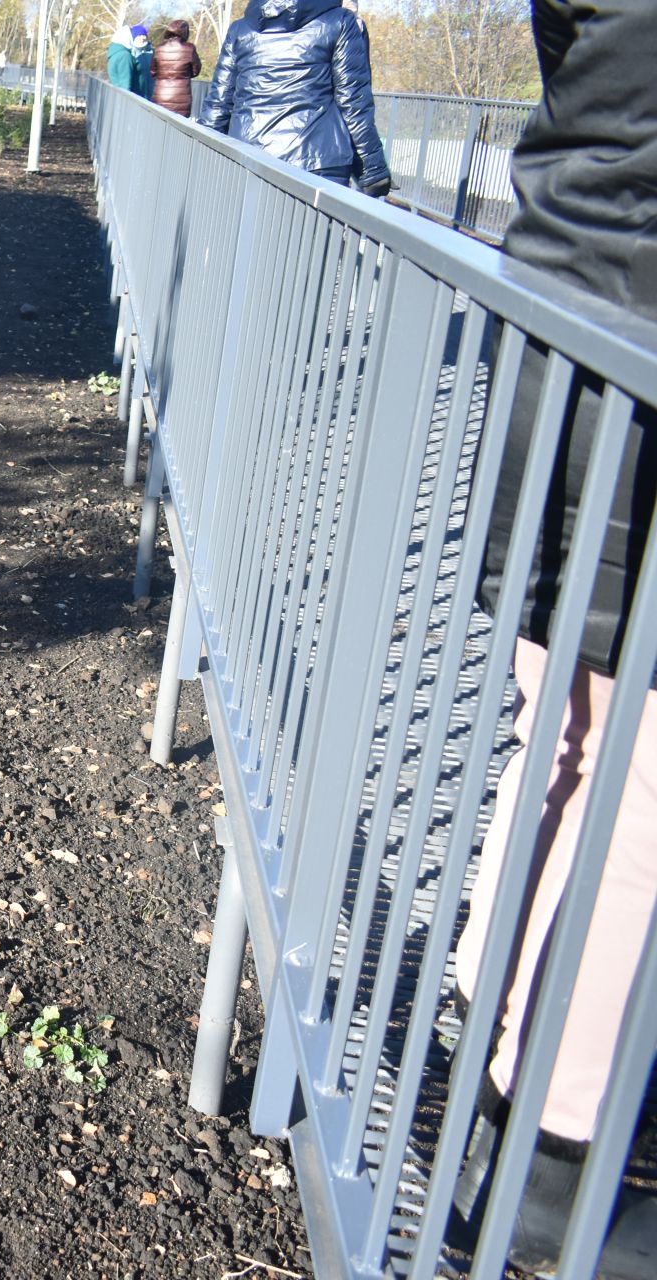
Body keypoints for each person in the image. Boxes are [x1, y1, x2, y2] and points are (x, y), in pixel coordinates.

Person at [450, 2, 657, 1275]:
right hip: (627, 372)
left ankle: (502, 1084)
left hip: (571, 349)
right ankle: (550, 1163)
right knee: (625, 782)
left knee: (572, 749)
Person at [197, 0, 390, 194]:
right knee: (313, 225)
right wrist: (373, 168)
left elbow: (218, 103)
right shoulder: (339, 21)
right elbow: (353, 101)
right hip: (317, 161)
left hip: (249, 155)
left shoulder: (240, 30)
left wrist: (201, 159)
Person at [151, 19, 203, 116]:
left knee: (160, 125)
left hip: (161, 94)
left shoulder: (159, 48)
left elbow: (153, 71)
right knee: (179, 127)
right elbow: (196, 70)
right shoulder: (189, 48)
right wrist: (184, 74)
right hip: (181, 97)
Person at [107, 23, 139, 94]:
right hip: (123, 98)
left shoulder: (114, 54)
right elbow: (125, 82)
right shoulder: (125, 56)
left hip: (116, 95)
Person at [131, 24, 155, 97]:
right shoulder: (131, 53)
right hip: (136, 93)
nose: (142, 38)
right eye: (139, 35)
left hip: (151, 93)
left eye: (144, 35)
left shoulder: (153, 52)